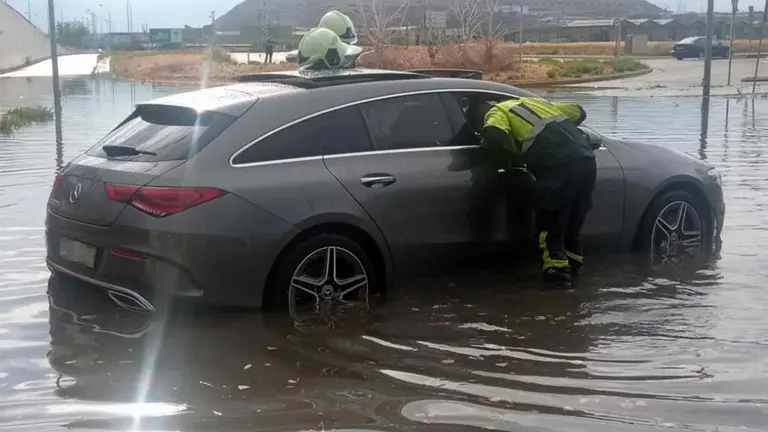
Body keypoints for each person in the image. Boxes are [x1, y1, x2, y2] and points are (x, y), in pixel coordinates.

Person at [479, 97, 596, 287]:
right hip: (587, 162)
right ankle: (575, 275)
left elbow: (493, 136)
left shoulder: (498, 111)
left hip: (555, 166)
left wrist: (492, 151)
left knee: (550, 222)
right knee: (571, 223)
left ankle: (557, 279)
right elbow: (578, 111)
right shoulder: (536, 103)